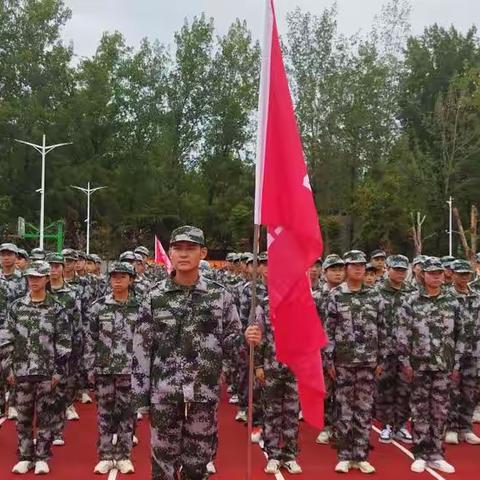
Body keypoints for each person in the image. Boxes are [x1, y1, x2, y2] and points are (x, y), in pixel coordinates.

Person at [131, 225, 262, 480]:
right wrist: (141, 397)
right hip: (165, 393)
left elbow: (231, 344)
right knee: (163, 465)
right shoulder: (155, 297)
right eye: (178, 248)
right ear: (170, 252)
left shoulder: (219, 296)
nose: (183, 254)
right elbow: (142, 348)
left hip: (203, 393)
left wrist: (247, 340)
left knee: (198, 464)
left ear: (202, 252)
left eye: (190, 248)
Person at [0, 261, 71, 475]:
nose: (34, 281)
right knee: (22, 417)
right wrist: (7, 368)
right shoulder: (16, 307)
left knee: (45, 417)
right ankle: (24, 456)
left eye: (38, 277)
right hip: (21, 372)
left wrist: (59, 371)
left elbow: (64, 342)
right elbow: (6, 339)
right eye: (31, 277)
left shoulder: (57, 309)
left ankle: (42, 456)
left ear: (46, 279)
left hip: (46, 372)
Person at [398, 257, 464, 474]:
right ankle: (419, 453)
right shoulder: (411, 302)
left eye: (439, 273)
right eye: (431, 273)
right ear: (422, 275)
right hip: (418, 366)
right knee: (419, 410)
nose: (436, 276)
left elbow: (461, 335)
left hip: (444, 365)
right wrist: (405, 362)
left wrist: (457, 364)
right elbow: (402, 335)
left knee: (440, 411)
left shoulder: (452, 302)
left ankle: (436, 454)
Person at [325, 250, 386, 474]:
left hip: (369, 362)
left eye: (362, 265)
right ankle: (344, 455)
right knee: (343, 409)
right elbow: (328, 330)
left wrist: (381, 359)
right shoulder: (336, 295)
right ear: (346, 268)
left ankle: (360, 455)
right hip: (343, 362)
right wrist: (329, 358)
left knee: (364, 409)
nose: (359, 268)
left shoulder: (375, 296)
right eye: (354, 265)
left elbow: (383, 329)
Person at [85, 261, 148, 475]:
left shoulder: (141, 307)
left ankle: (123, 455)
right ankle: (105, 455)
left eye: (122, 276)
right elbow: (90, 339)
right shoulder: (99, 306)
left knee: (127, 414)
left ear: (131, 279)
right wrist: (90, 366)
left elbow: (148, 341)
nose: (117, 281)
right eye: (114, 277)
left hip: (130, 371)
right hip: (105, 370)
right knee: (104, 414)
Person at [255, 299, 302, 475]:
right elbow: (259, 336)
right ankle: (273, 455)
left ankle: (290, 456)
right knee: (272, 413)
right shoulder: (266, 304)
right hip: (271, 367)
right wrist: (258, 365)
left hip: (295, 368)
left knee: (292, 413)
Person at [375, 255, 413, 444]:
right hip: (385, 351)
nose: (399, 273)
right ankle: (387, 426)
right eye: (396, 269)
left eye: (403, 270)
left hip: (406, 352)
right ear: (387, 269)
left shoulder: (413, 293)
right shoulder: (377, 292)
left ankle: (401, 425)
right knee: (385, 389)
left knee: (405, 390)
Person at [47, 253, 83, 437]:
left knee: (62, 385)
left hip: (65, 345)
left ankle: (58, 429)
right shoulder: (39, 289)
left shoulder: (71, 293)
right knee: (44, 388)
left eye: (56, 266)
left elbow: (77, 320)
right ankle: (45, 429)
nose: (53, 269)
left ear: (62, 268)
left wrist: (77, 345)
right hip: (42, 346)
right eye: (50, 266)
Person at [444, 259, 480, 445]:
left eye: (467, 274)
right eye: (460, 274)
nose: (464, 277)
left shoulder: (476, 295)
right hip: (452, 351)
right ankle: (450, 427)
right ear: (453, 274)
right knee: (453, 390)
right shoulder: (446, 296)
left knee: (470, 391)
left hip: (473, 350)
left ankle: (465, 427)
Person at [313, 254, 345, 445]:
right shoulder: (317, 297)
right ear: (325, 273)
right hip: (320, 352)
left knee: (343, 393)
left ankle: (339, 426)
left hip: (343, 351)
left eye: (340, 270)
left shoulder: (348, 295)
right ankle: (326, 425)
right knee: (324, 392)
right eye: (333, 269)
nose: (338, 273)